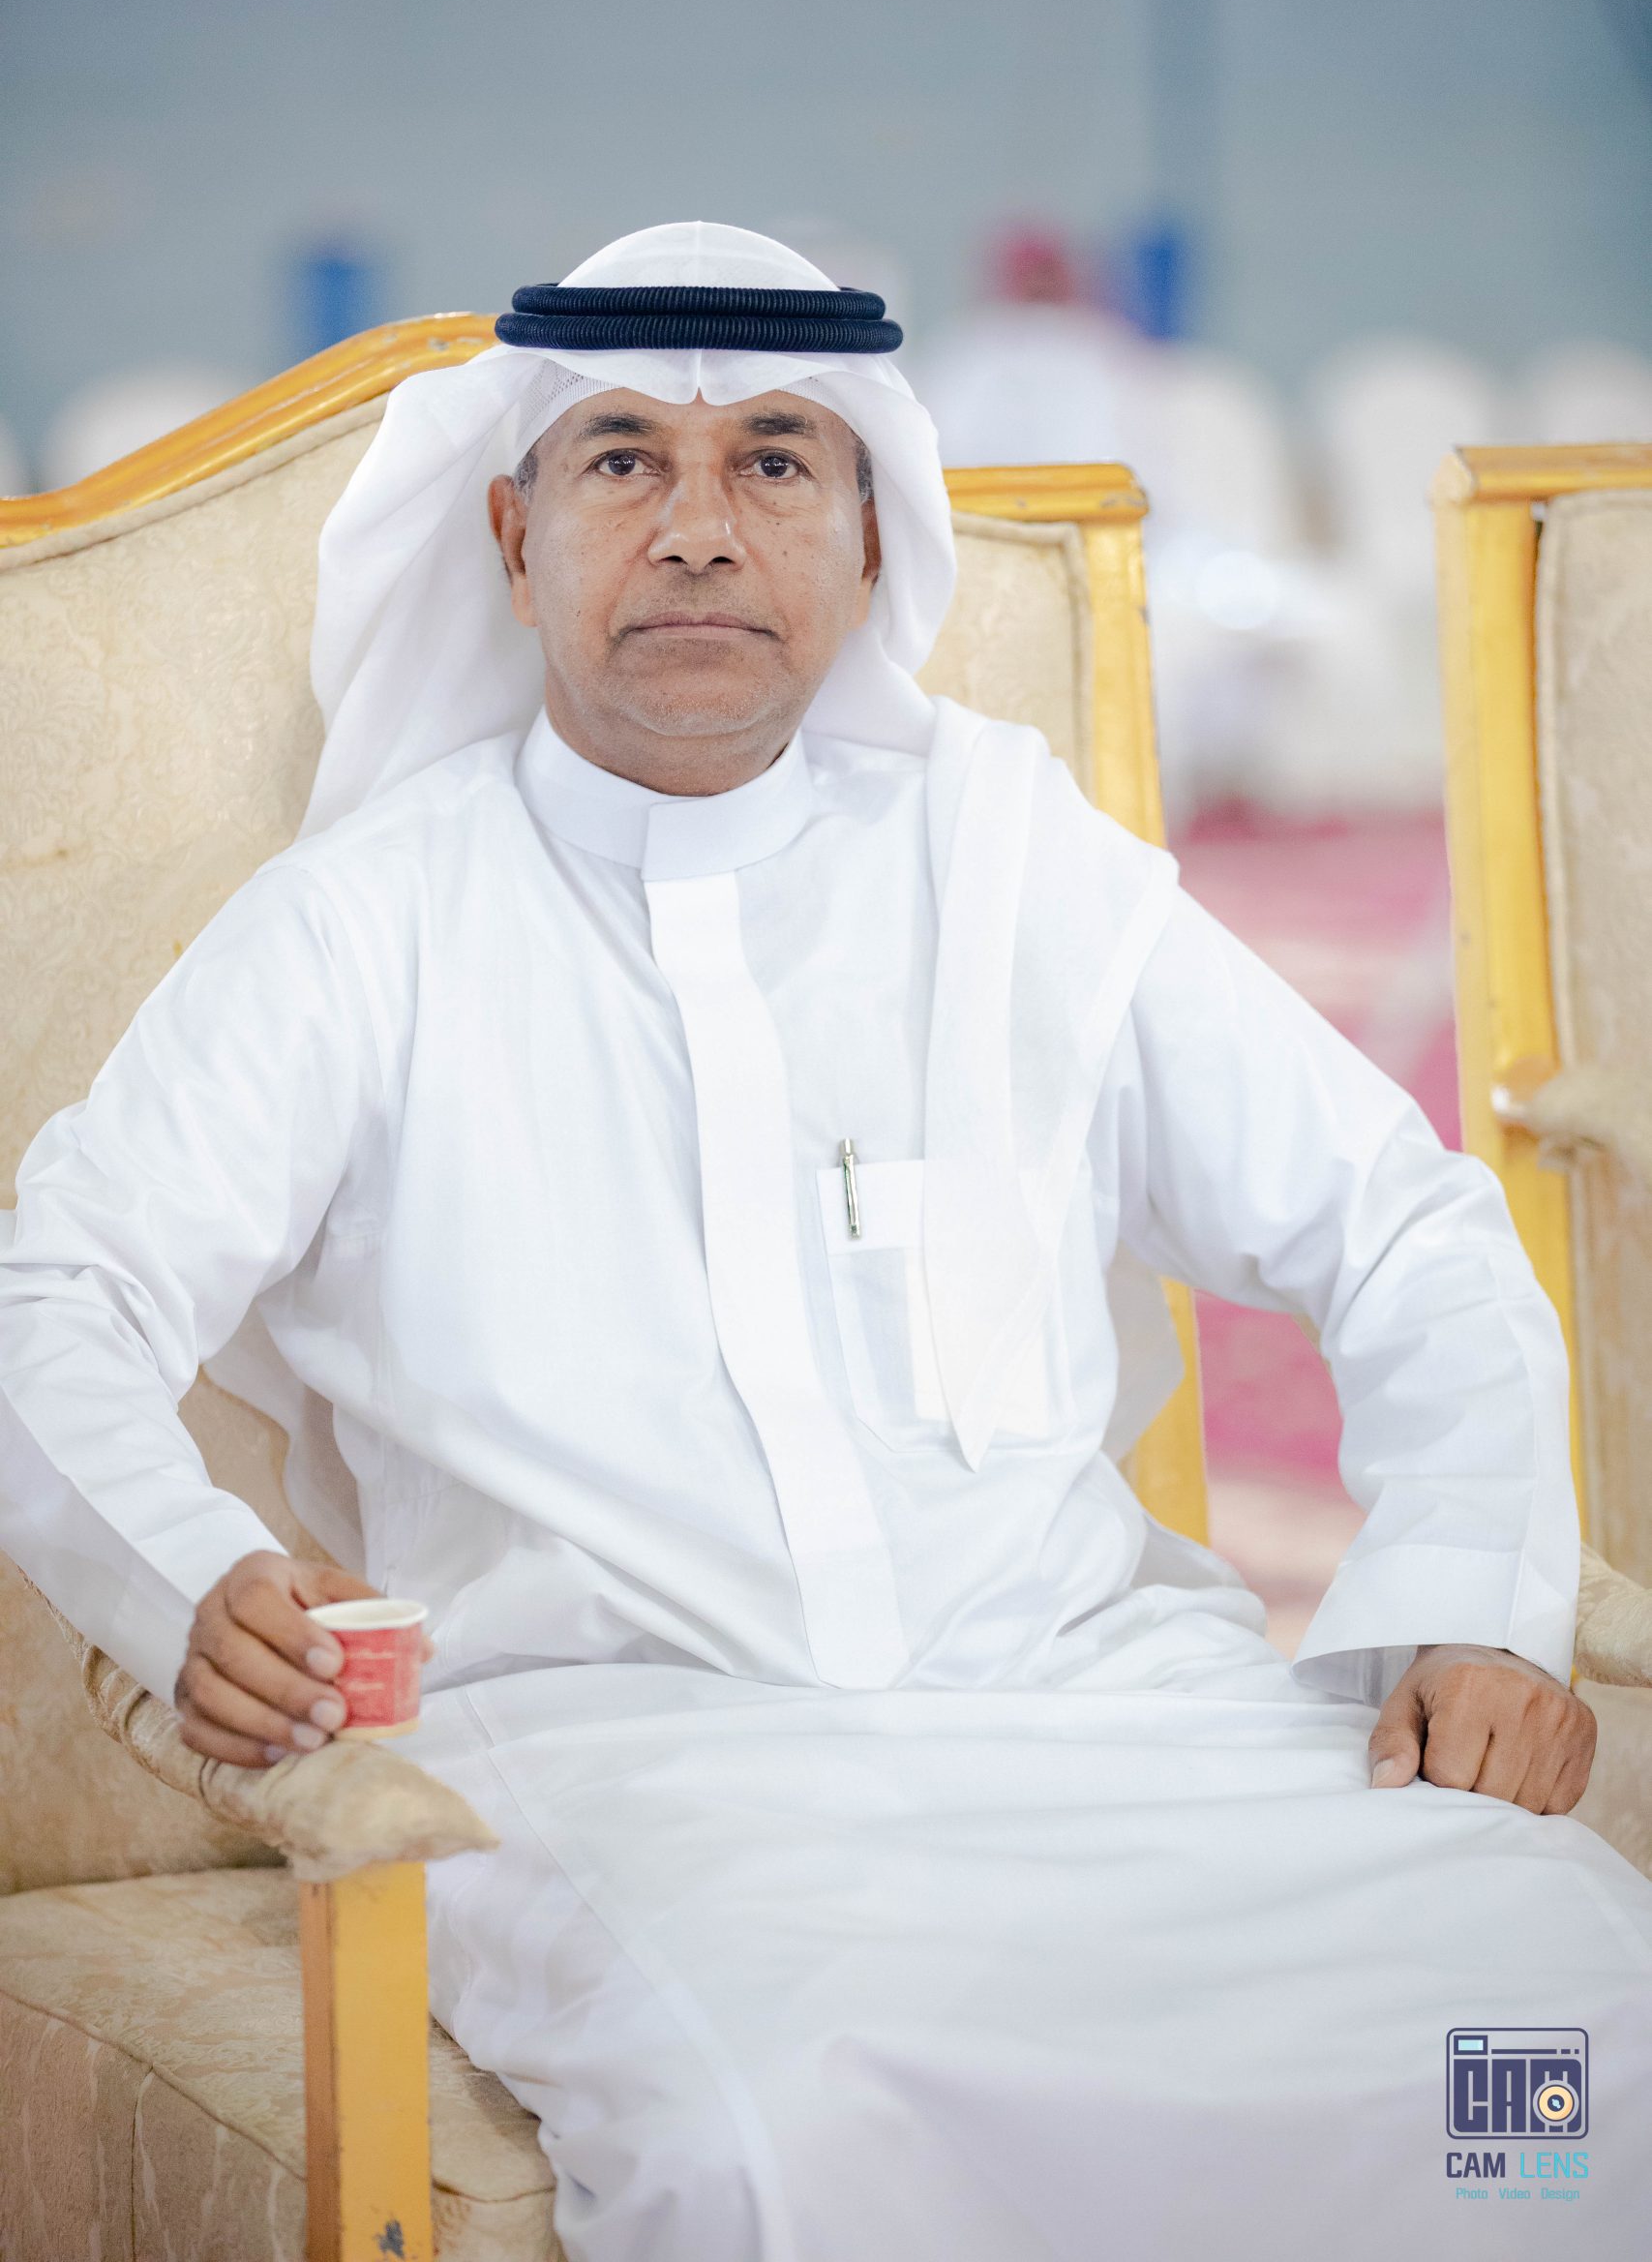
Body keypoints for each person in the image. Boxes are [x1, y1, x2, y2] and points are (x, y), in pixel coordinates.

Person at [0, 221, 1646, 2262]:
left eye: (773, 460)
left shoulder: (1018, 866)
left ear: (869, 541)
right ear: (512, 538)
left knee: (1575, 2035)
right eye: (622, 460)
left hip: (1137, 1733)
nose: (698, 528)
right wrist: (184, 1573)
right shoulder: (368, 923)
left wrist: (1471, 1602)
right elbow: (59, 1282)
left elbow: (1399, 1221)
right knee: (792, 2144)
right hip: (638, 1780)